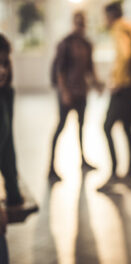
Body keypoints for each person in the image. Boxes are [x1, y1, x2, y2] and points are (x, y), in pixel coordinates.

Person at [49, 11, 103, 182]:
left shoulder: (87, 44)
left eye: (83, 23)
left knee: (81, 126)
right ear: (73, 23)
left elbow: (90, 69)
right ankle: (51, 167)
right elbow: (60, 70)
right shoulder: (65, 44)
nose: (80, 26)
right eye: (78, 23)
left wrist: (97, 83)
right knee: (61, 127)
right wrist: (64, 92)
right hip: (68, 93)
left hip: (81, 92)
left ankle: (83, 160)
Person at [98, 2, 131, 191]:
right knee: (126, 128)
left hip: (124, 88)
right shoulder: (129, 29)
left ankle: (114, 172)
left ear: (111, 16)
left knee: (107, 126)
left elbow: (125, 56)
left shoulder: (119, 29)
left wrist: (117, 81)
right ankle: (129, 173)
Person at [0, 34, 38, 221]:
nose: (1, 71)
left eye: (4, 63)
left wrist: (13, 193)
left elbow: (7, 149)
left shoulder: (6, 94)